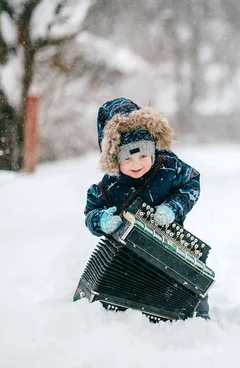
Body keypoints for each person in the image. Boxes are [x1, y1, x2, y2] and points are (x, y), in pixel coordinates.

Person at [84, 97, 209, 319]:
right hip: (128, 257)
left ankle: (197, 315)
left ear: (153, 149)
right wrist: (100, 220)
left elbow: (192, 182)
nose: (137, 164)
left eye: (143, 155)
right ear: (114, 158)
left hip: (170, 242)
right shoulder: (107, 186)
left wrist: (174, 207)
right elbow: (90, 212)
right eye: (128, 158)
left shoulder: (168, 167)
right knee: (127, 289)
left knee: (191, 271)